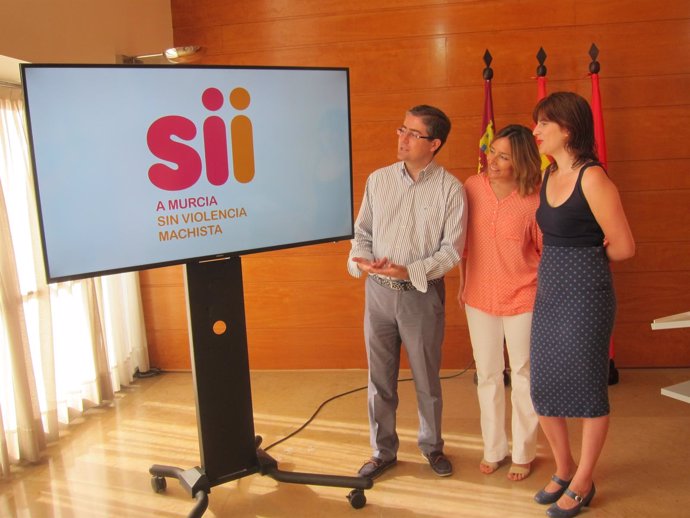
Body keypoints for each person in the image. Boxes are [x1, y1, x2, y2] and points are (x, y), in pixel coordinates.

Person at [347, 105, 467, 479]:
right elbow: (361, 232)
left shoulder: (451, 189)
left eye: (413, 134)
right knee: (379, 379)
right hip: (378, 294)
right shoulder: (378, 180)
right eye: (402, 129)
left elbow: (451, 251)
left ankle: (432, 447)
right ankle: (382, 451)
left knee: (427, 379)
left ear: (434, 143)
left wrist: (409, 270)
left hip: (421, 294)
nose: (402, 138)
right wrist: (362, 259)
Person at [530, 92, 635, 517]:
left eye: (543, 123)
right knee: (541, 386)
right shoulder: (548, 175)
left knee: (588, 389)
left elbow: (625, 247)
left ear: (567, 130)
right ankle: (563, 466)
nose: (535, 130)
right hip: (550, 291)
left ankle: (584, 479)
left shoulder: (593, 178)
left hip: (587, 293)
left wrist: (589, 255)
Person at [457, 124, 542, 482]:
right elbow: (461, 244)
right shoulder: (471, 187)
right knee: (488, 375)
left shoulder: (536, 198)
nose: (492, 160)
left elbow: (544, 251)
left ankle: (524, 451)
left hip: (524, 295)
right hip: (479, 296)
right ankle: (494, 448)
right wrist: (463, 286)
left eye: (503, 156)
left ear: (521, 160)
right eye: (492, 151)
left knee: (523, 375)